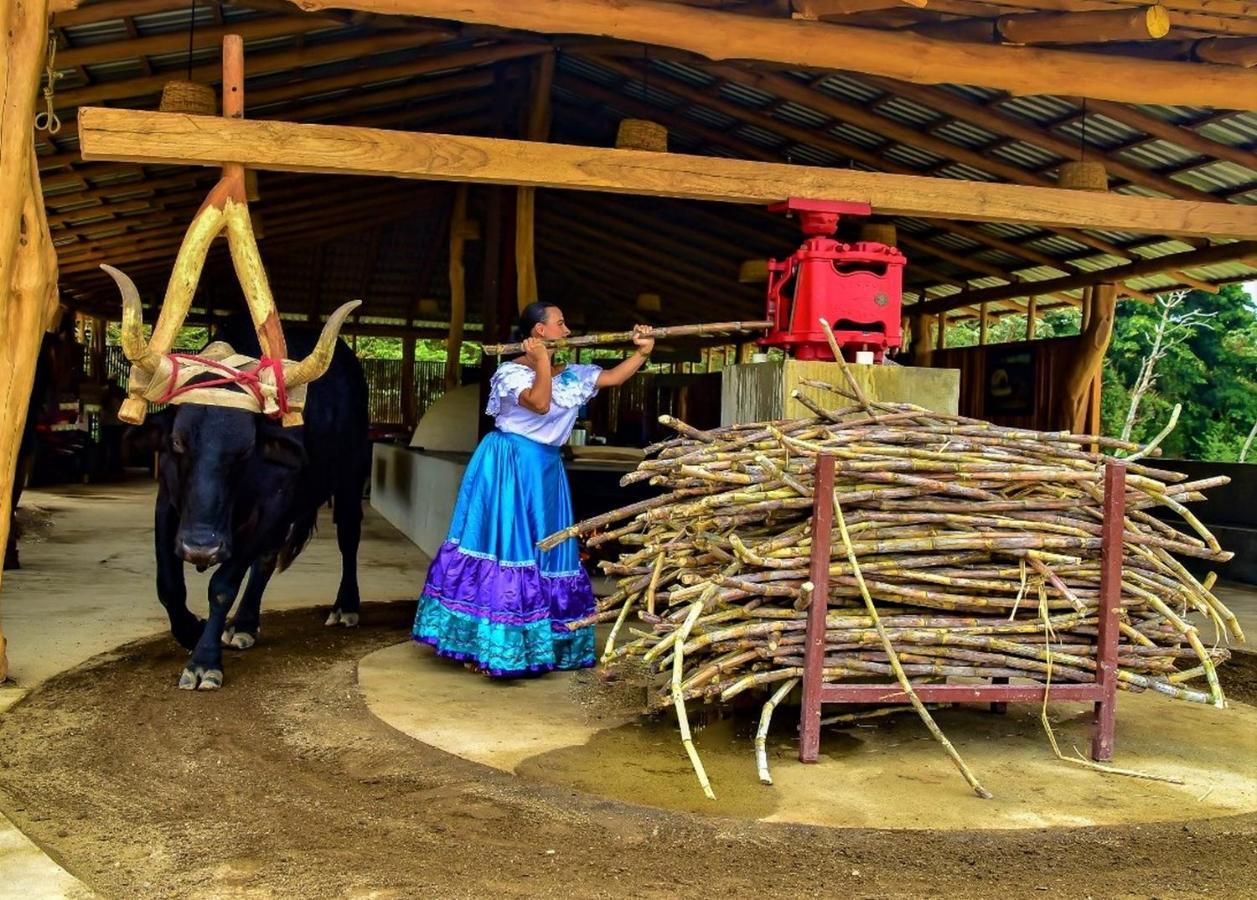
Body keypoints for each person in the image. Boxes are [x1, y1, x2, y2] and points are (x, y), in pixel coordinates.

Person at [412, 302, 655, 677]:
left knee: (549, 548)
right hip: (507, 465)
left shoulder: (573, 376)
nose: (568, 330)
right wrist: (541, 362)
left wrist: (642, 352)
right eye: (561, 323)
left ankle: (546, 641)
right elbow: (540, 404)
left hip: (545, 470)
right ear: (539, 332)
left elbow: (614, 378)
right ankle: (487, 645)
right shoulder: (510, 374)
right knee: (504, 549)